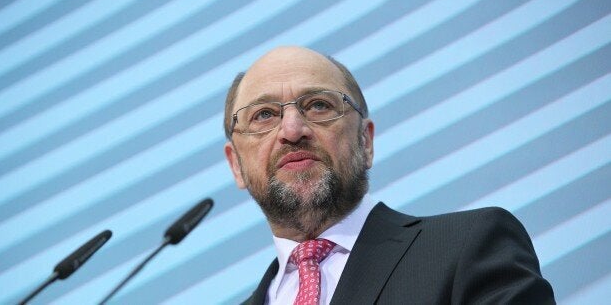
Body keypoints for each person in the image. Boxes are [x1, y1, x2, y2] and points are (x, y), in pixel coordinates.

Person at [223, 46, 555, 304]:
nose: (292, 130)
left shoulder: (469, 246)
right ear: (236, 164)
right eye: (263, 115)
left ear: (365, 141)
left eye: (319, 105)